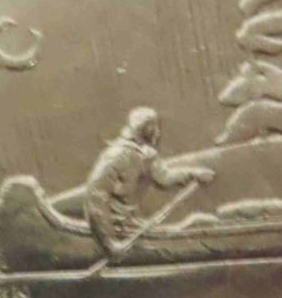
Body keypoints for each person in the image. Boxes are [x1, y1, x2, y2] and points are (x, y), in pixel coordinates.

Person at [83, 108, 214, 259]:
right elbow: (96, 194)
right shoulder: (117, 155)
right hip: (115, 228)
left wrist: (194, 174)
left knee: (197, 223)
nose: (158, 133)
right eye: (155, 127)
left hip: (132, 226)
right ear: (146, 128)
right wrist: (109, 243)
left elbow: (164, 178)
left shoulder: (147, 155)